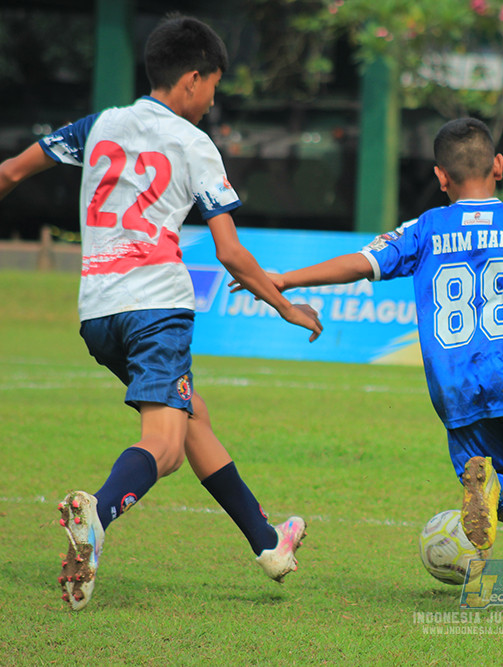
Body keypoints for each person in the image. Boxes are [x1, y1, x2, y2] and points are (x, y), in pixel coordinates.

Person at [233, 118, 503, 626]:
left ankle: (494, 487)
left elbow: (361, 263)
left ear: (440, 176)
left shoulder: (426, 229)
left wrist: (284, 279)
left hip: (454, 384)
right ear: (499, 166)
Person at [0, 15, 323, 611]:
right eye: (214, 86)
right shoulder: (194, 144)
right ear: (193, 78)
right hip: (156, 309)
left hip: (98, 314)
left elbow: (11, 172)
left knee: (191, 413)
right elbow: (229, 251)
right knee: (166, 446)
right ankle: (96, 516)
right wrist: (284, 305)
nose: (213, 101)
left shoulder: (98, 125)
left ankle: (268, 543)